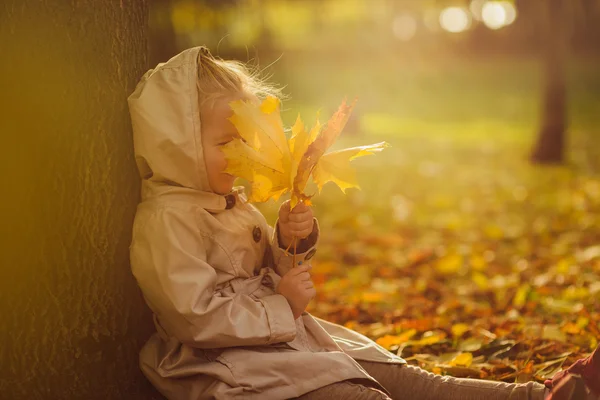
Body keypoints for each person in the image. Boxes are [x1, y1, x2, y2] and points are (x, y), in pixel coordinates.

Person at [127, 46, 598, 400]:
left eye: (245, 140)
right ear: (179, 143)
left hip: (280, 342)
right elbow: (193, 315)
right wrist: (281, 308)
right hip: (224, 364)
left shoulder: (230, 199)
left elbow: (265, 269)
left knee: (408, 379)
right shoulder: (167, 219)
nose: (242, 154)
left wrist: (291, 240)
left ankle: (544, 396)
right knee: (361, 395)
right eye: (225, 142)